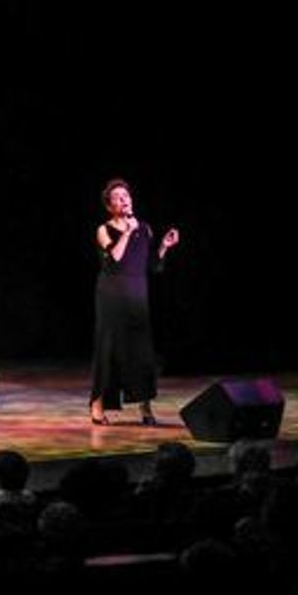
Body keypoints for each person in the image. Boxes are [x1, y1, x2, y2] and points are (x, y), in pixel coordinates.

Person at [90, 178, 179, 427]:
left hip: (137, 294)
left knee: (141, 352)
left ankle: (145, 407)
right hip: (111, 295)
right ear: (110, 206)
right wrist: (127, 232)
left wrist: (163, 246)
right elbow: (115, 259)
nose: (124, 199)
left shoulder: (146, 228)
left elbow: (151, 266)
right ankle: (97, 404)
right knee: (108, 349)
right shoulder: (103, 229)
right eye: (117, 197)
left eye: (126, 195)